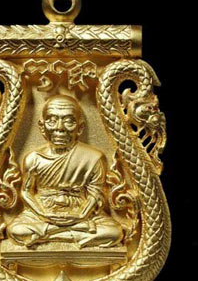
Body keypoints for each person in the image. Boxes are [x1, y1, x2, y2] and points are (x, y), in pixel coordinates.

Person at [7, 94, 123, 248]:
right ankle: (74, 234)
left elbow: (95, 194)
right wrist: (42, 214)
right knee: (15, 230)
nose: (60, 128)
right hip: (42, 212)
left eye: (68, 121)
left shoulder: (93, 157)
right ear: (42, 126)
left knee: (114, 232)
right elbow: (26, 191)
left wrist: (82, 215)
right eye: (52, 120)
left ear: (80, 128)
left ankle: (48, 234)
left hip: (82, 213)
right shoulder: (33, 158)